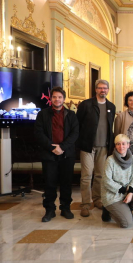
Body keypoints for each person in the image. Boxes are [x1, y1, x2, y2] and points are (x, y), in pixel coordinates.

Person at [35, 87, 79, 222]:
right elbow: (38, 133)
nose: (57, 99)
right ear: (51, 99)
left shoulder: (71, 115)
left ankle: (65, 208)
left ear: (63, 99)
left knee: (66, 182)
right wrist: (51, 147)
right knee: (49, 183)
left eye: (60, 97)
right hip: (49, 154)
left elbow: (75, 133)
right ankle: (50, 210)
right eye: (54, 97)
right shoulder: (42, 114)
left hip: (67, 154)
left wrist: (62, 147)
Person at [77, 79, 116, 217]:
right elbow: (78, 124)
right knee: (86, 176)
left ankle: (98, 199)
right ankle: (85, 205)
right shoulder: (86, 105)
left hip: (104, 146)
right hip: (87, 146)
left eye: (105, 88)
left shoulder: (111, 106)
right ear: (96, 89)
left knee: (100, 175)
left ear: (108, 90)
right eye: (100, 88)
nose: (102, 90)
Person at [101, 134, 133, 228]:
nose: (121, 146)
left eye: (123, 144)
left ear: (128, 145)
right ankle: (108, 210)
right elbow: (106, 181)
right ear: (115, 146)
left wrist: (130, 193)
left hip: (127, 191)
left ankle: (126, 209)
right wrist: (123, 190)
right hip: (112, 194)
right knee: (127, 224)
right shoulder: (110, 160)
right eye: (118, 144)